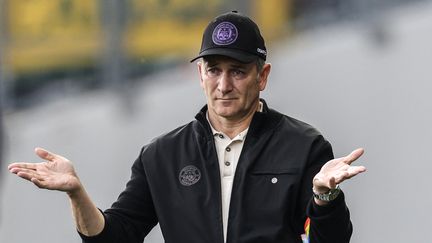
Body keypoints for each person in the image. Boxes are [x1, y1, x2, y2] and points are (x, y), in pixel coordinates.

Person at [8, 11, 366, 243]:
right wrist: (76, 193)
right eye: (214, 70)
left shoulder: (304, 146)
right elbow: (114, 237)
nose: (224, 85)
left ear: (263, 76)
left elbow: (326, 241)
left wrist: (325, 197)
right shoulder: (161, 155)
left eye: (238, 71)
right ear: (200, 74)